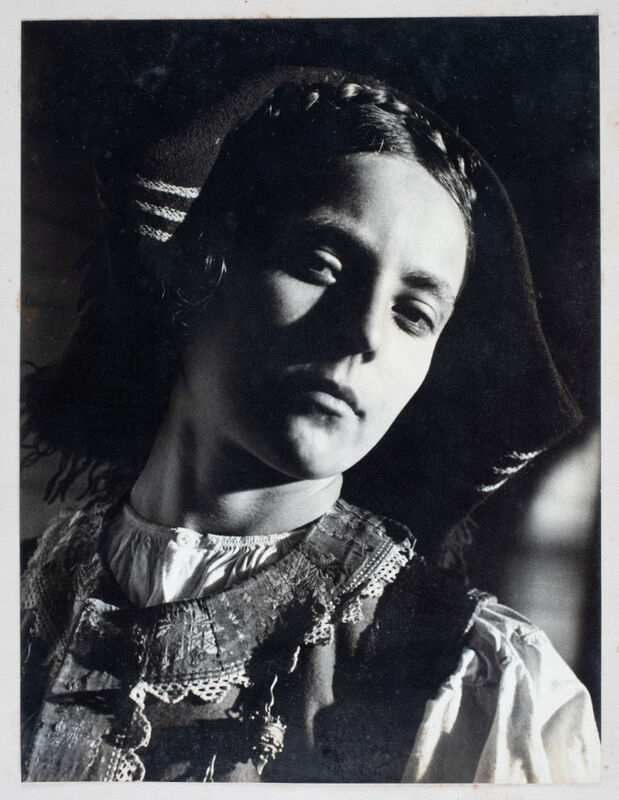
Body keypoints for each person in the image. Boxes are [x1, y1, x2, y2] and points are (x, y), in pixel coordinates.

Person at [20, 70, 600, 782]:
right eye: (320, 264)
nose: (365, 334)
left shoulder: (467, 679)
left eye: (413, 313)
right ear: (202, 265)